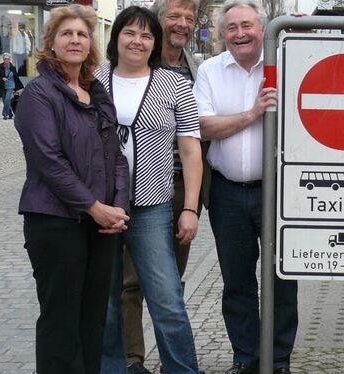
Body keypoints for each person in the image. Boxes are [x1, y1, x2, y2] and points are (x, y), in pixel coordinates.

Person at [13, 4, 130, 373]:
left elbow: (118, 157)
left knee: (93, 320)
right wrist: (95, 207)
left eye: (82, 34)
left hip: (102, 226)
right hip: (55, 222)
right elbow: (49, 162)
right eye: (67, 34)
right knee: (61, 321)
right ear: (52, 42)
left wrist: (118, 208)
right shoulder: (38, 94)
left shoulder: (96, 92)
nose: (75, 40)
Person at [96, 6, 203, 374]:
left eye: (146, 35)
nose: (137, 41)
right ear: (116, 37)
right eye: (130, 33)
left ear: (154, 43)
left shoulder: (175, 84)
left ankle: (183, 369)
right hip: (100, 208)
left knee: (167, 300)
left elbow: (190, 149)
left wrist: (189, 208)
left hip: (151, 207)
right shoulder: (94, 79)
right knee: (106, 302)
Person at [193, 0, 298, 373]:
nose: (240, 33)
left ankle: (279, 358)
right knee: (236, 281)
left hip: (279, 191)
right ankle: (247, 358)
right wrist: (253, 114)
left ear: (263, 28)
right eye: (232, 27)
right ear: (222, 34)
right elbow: (202, 126)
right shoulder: (209, 70)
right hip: (228, 193)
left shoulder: (287, 63)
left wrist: (308, 30)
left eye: (247, 26)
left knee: (283, 278)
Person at [0, 52, 24, 120]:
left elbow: (16, 75)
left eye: (8, 59)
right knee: (4, 100)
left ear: (10, 59)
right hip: (3, 86)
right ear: (3, 59)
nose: (6, 60)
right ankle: (10, 114)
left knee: (7, 99)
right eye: (5, 59)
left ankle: (5, 114)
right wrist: (2, 78)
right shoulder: (0, 67)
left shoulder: (12, 67)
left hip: (11, 85)